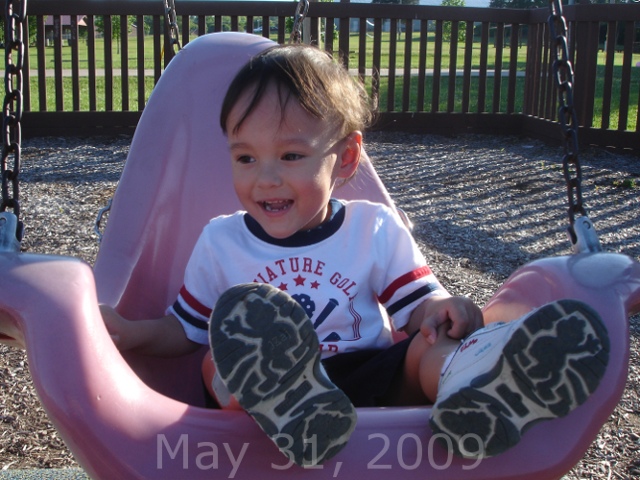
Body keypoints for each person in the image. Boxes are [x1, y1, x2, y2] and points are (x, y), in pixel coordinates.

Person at [100, 44, 609, 468]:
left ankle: (485, 386)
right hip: (265, 401)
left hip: (368, 377)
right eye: (245, 157)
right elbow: (185, 328)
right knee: (220, 357)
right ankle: (285, 398)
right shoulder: (222, 241)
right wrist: (128, 330)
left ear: (343, 158)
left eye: (291, 156)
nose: (265, 178)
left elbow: (419, 308)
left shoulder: (372, 229)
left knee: (429, 350)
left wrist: (444, 312)